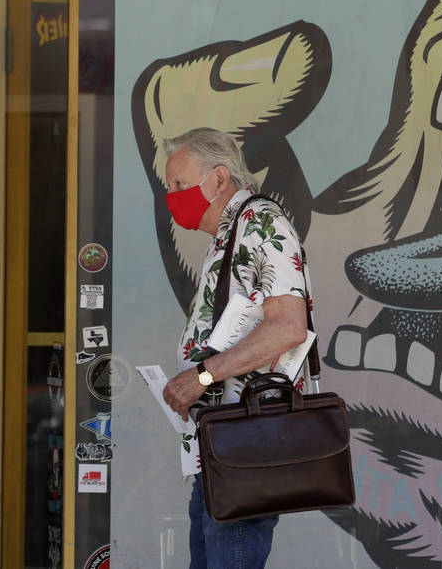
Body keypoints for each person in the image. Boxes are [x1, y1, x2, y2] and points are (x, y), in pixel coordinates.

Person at [159, 127, 310, 569]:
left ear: (219, 179)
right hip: (224, 441)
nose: (172, 197)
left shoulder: (259, 223)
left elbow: (287, 327)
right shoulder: (230, 234)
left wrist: (202, 376)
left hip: (247, 441)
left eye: (180, 184)